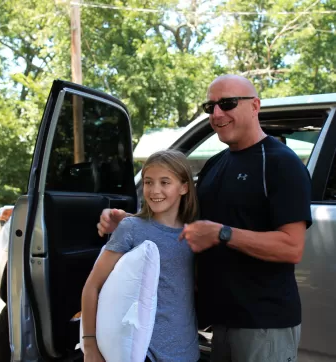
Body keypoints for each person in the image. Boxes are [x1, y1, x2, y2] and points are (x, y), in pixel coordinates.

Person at [97, 75, 312, 362]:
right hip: (219, 323)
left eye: (227, 103)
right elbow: (186, 226)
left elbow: (292, 247)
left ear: (255, 106)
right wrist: (131, 221)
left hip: (263, 322)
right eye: (210, 106)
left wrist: (223, 234)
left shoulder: (280, 162)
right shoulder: (215, 164)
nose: (217, 113)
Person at [82, 149, 200, 362]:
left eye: (165, 182)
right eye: (148, 182)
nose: (155, 190)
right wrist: (89, 344)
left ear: (184, 187)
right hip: (143, 353)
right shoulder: (131, 229)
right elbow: (93, 286)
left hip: (187, 352)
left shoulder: (196, 234)